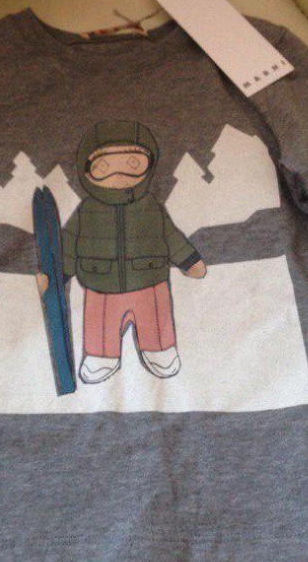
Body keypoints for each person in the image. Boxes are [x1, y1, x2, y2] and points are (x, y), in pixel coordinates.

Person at [37, 120, 206, 384]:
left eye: (133, 163)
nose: (119, 172)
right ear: (87, 171)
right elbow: (68, 245)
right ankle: (100, 355)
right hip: (100, 284)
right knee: (100, 323)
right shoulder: (86, 210)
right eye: (104, 165)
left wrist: (189, 260)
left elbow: (170, 236)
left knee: (155, 318)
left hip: (150, 280)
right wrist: (56, 277)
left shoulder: (150, 206)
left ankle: (160, 348)